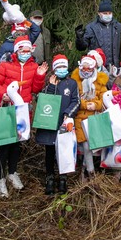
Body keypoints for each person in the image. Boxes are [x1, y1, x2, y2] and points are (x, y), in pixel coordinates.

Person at [0, 36, 48, 197]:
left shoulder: (34, 66)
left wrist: (40, 76)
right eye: (23, 50)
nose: (26, 53)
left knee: (17, 145)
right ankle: (0, 178)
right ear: (17, 51)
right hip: (7, 110)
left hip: (23, 111)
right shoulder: (5, 66)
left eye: (28, 51)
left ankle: (12, 172)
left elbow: (35, 89)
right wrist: (3, 94)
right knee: (5, 144)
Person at [35, 53, 80, 196]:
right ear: (54, 68)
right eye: (58, 66)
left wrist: (68, 113)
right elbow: (41, 99)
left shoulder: (72, 83)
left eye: (63, 66)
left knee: (63, 150)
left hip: (63, 123)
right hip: (49, 123)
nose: (61, 69)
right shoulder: (48, 82)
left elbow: (76, 101)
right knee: (49, 151)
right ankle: (49, 178)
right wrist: (51, 86)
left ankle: (63, 178)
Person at [71, 53, 108, 181]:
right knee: (86, 145)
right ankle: (90, 172)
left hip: (95, 118)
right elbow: (73, 98)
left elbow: (104, 99)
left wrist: (96, 105)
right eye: (84, 68)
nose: (86, 71)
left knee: (91, 145)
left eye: (89, 68)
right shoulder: (75, 82)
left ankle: (85, 170)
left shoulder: (100, 82)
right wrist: (85, 104)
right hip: (80, 118)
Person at [76, 0, 121, 70]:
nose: (108, 15)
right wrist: (79, 38)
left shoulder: (118, 27)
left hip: (116, 67)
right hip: (97, 68)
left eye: (110, 13)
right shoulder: (91, 27)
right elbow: (82, 47)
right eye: (105, 13)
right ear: (99, 13)